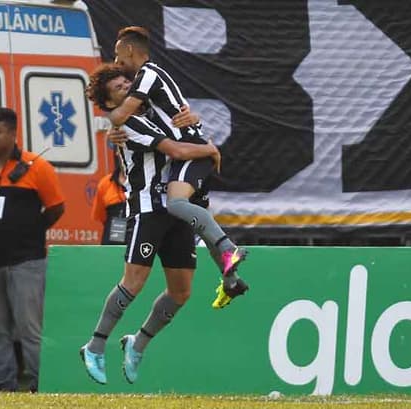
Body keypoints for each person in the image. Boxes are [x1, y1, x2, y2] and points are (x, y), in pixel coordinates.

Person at [80, 64, 220, 385]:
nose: (129, 89)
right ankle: (95, 345)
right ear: (110, 102)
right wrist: (211, 149)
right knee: (134, 283)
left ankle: (137, 343)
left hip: (176, 210)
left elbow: (184, 131)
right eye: (119, 88)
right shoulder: (127, 122)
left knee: (181, 292)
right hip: (147, 210)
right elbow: (176, 150)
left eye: (129, 83)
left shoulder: (153, 113)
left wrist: (193, 117)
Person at [109, 26, 249, 309]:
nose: (116, 62)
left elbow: (121, 114)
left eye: (117, 54)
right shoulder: (151, 87)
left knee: (175, 205)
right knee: (198, 220)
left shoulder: (147, 75)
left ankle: (229, 250)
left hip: (192, 153)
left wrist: (110, 120)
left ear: (130, 50)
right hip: (191, 152)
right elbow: (175, 115)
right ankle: (231, 280)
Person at [0, 107, 65, 392]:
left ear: (13, 133)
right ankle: (5, 387)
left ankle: (38, 386)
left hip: (26, 261)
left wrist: (30, 230)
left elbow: (56, 208)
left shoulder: (37, 167)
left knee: (30, 330)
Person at [91, 150, 127, 244]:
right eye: (120, 150)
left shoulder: (146, 182)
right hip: (113, 243)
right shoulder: (105, 183)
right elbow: (101, 216)